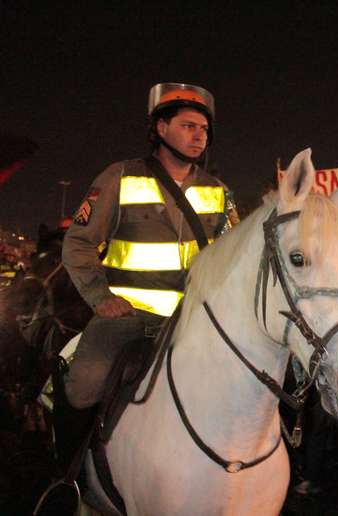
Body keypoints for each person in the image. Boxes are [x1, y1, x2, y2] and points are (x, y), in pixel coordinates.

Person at [58, 83, 230, 463]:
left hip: (192, 322)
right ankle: (66, 477)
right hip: (129, 318)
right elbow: (78, 243)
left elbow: (229, 256)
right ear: (160, 129)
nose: (199, 135)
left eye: (204, 129)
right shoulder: (120, 176)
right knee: (83, 387)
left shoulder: (218, 190)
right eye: (188, 126)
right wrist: (101, 298)